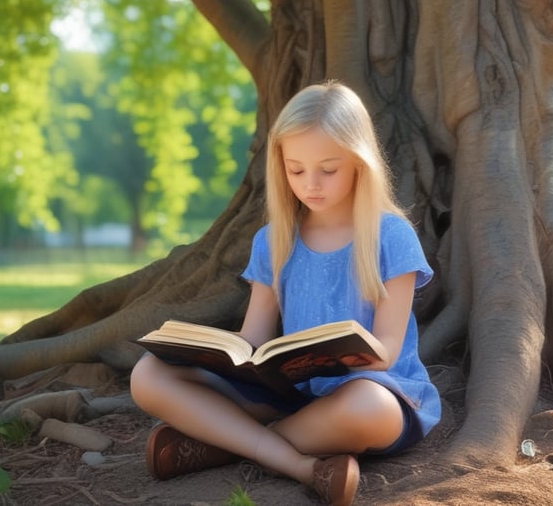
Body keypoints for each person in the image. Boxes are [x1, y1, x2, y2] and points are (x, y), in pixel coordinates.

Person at [131, 81, 441, 506]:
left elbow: (388, 349)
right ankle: (297, 462)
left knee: (370, 407)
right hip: (293, 397)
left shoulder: (391, 236)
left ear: (358, 162)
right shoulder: (274, 240)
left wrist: (345, 352)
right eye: (296, 170)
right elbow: (254, 338)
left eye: (327, 170)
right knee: (147, 375)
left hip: (371, 393)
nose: (310, 184)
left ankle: (226, 446)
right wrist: (218, 354)